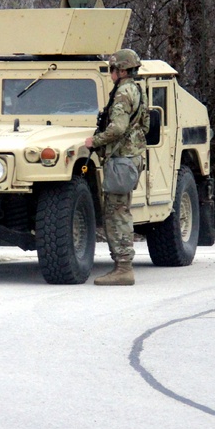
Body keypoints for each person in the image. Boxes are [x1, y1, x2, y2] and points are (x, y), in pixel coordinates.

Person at [84, 48, 149, 286]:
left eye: (112, 69)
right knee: (119, 209)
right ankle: (122, 265)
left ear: (121, 70)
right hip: (130, 158)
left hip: (122, 159)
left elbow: (118, 128)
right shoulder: (136, 90)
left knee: (116, 211)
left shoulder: (123, 92)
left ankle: (123, 267)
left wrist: (95, 141)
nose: (110, 73)